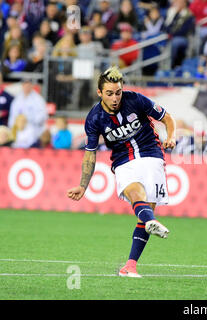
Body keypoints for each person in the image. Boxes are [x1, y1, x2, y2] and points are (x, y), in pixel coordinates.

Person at [67, 66, 177, 277]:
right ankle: (149, 220)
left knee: (144, 211)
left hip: (151, 154)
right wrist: (83, 185)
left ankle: (130, 266)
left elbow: (167, 118)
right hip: (123, 160)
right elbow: (90, 154)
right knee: (136, 194)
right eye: (109, 93)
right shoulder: (94, 118)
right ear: (99, 93)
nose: (115, 98)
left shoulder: (136, 99)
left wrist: (171, 136)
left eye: (118, 92)